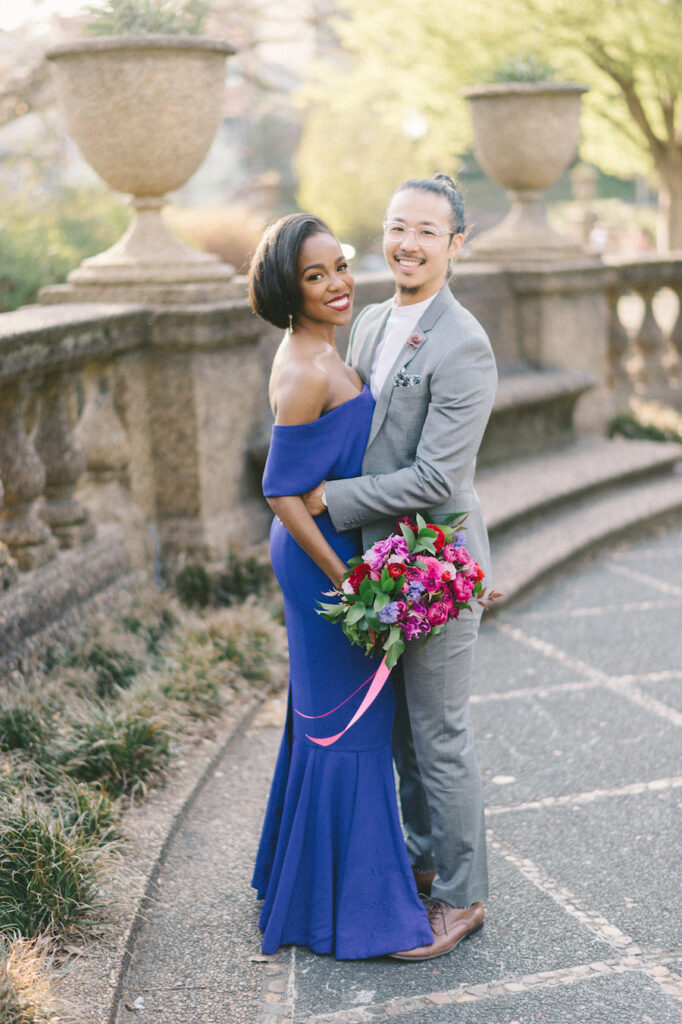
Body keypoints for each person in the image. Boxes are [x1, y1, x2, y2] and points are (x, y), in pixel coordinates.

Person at [303, 174, 498, 960]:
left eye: (426, 230)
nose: (407, 242)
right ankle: (423, 864)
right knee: (400, 741)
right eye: (395, 227)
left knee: (440, 736)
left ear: (455, 244)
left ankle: (463, 896)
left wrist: (330, 498)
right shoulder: (373, 318)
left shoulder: (465, 342)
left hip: (438, 565)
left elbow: (438, 480)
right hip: (380, 568)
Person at [248, 213, 433, 959]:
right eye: (315, 276)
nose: (337, 284)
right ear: (289, 289)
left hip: (337, 554)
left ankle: (308, 886)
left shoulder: (331, 348)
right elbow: (279, 488)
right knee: (348, 729)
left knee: (328, 722)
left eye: (339, 267)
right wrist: (349, 579)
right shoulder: (304, 366)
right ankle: (359, 913)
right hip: (319, 561)